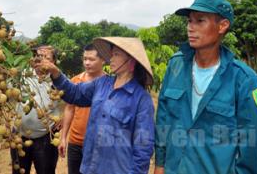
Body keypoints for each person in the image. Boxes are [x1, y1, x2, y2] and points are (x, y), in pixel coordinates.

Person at [154, 0, 257, 174]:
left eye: (200, 21)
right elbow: (164, 117)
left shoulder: (244, 80)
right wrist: (160, 163)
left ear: (222, 26)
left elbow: (249, 147)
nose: (190, 27)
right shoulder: (176, 65)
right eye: (189, 21)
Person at [35, 37, 155, 174]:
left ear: (131, 62)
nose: (111, 58)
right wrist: (55, 72)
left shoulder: (141, 100)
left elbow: (143, 147)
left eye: (116, 54)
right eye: (112, 54)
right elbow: (74, 93)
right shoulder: (102, 84)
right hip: (90, 167)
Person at [11, 45, 62, 174]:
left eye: (46, 57)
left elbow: (70, 103)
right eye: (38, 56)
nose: (40, 60)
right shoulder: (21, 75)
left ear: (54, 61)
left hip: (45, 138)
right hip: (19, 136)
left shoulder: (59, 80)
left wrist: (63, 117)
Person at [58, 44, 105, 174]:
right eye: (85, 59)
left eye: (91, 59)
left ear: (103, 60)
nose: (87, 63)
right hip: (75, 142)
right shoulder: (75, 81)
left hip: (98, 144)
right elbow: (69, 109)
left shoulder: (108, 84)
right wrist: (63, 137)